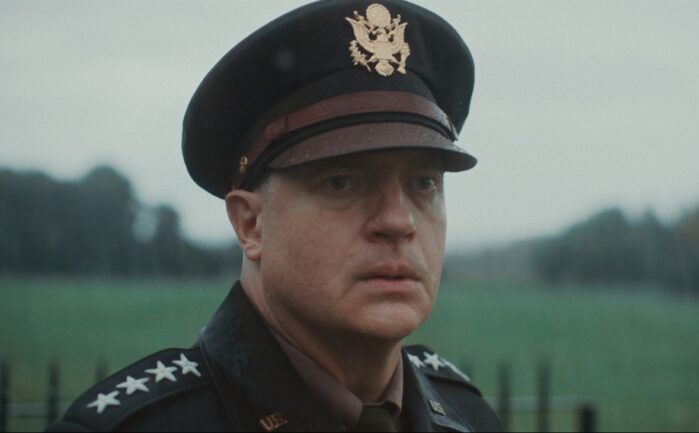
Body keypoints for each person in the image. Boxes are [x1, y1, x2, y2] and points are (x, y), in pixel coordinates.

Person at [48, 1, 501, 431]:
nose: (399, 222)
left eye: (424, 183)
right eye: (341, 182)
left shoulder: (470, 417)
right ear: (250, 224)